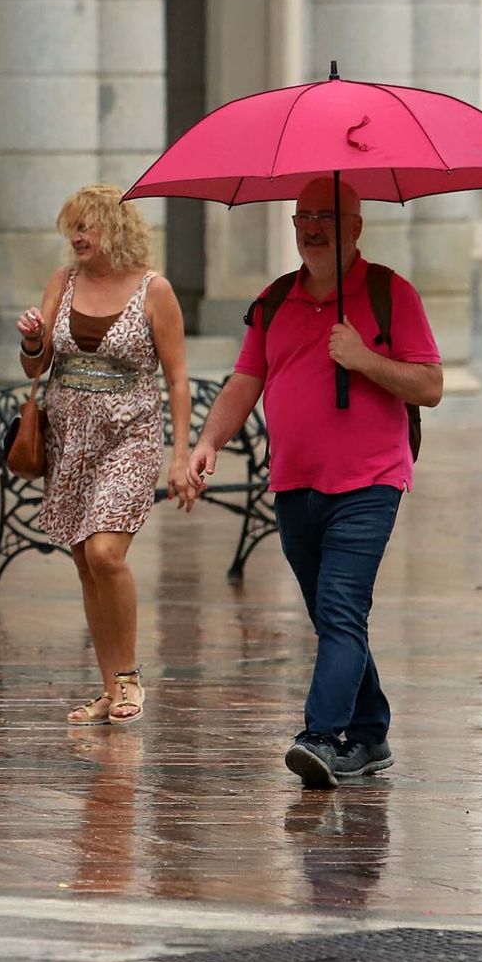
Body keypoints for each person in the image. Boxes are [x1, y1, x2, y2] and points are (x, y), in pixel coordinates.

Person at [187, 177, 441, 789]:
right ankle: (372, 732)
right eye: (302, 218)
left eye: (327, 216)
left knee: (340, 609)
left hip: (369, 481)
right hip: (295, 484)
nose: (311, 228)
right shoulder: (274, 300)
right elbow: (246, 380)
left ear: (355, 227)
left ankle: (322, 736)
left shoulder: (389, 294)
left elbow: (429, 386)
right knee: (335, 618)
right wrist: (207, 441)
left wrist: (363, 358)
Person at [15, 184, 193, 726]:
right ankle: (110, 686)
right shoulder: (63, 282)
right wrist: (32, 339)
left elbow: (178, 378)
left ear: (117, 230)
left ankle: (131, 677)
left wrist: (181, 456)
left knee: (105, 555)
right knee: (84, 564)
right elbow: (35, 368)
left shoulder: (153, 291)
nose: (77, 235)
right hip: (70, 441)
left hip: (130, 436)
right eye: (73, 225)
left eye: (88, 225)